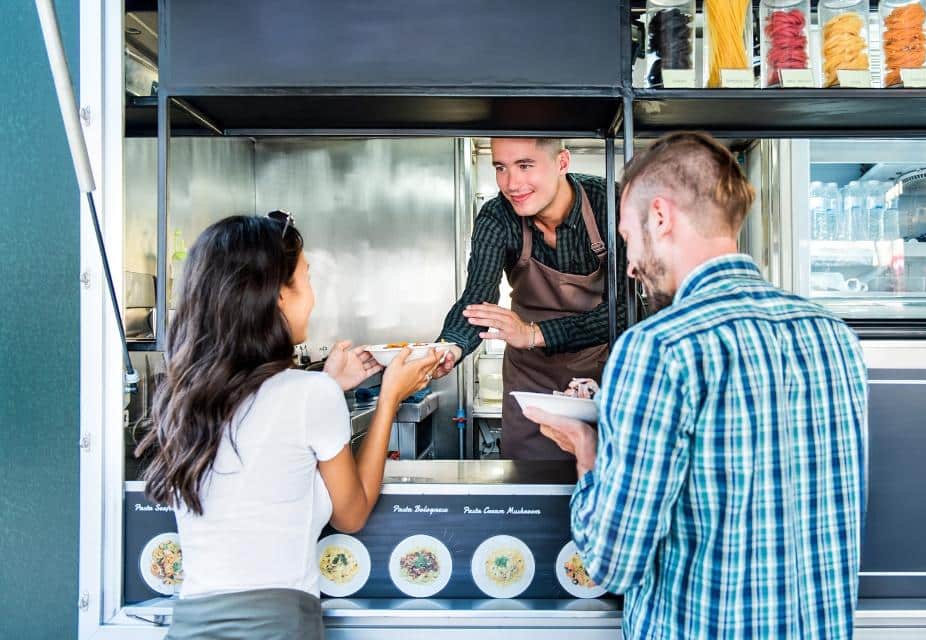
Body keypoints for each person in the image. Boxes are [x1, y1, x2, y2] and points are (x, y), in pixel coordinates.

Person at [526, 132, 868, 639]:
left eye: (628, 237)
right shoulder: (834, 336)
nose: (631, 262)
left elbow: (610, 561)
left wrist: (587, 448)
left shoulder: (659, 347)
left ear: (660, 217)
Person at [135, 213, 443, 639]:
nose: (313, 297)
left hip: (189, 625)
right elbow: (352, 513)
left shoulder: (182, 398)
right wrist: (390, 395)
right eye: (306, 280)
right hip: (276, 628)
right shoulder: (309, 396)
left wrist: (331, 384)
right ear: (278, 296)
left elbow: (268, 439)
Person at [432, 138, 626, 460]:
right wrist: (448, 348)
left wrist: (535, 334)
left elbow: (627, 311)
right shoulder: (498, 216)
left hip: (602, 378)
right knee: (527, 485)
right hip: (530, 382)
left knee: (603, 473)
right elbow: (478, 295)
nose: (511, 184)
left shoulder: (611, 204)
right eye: (500, 168)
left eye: (524, 166)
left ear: (562, 162)